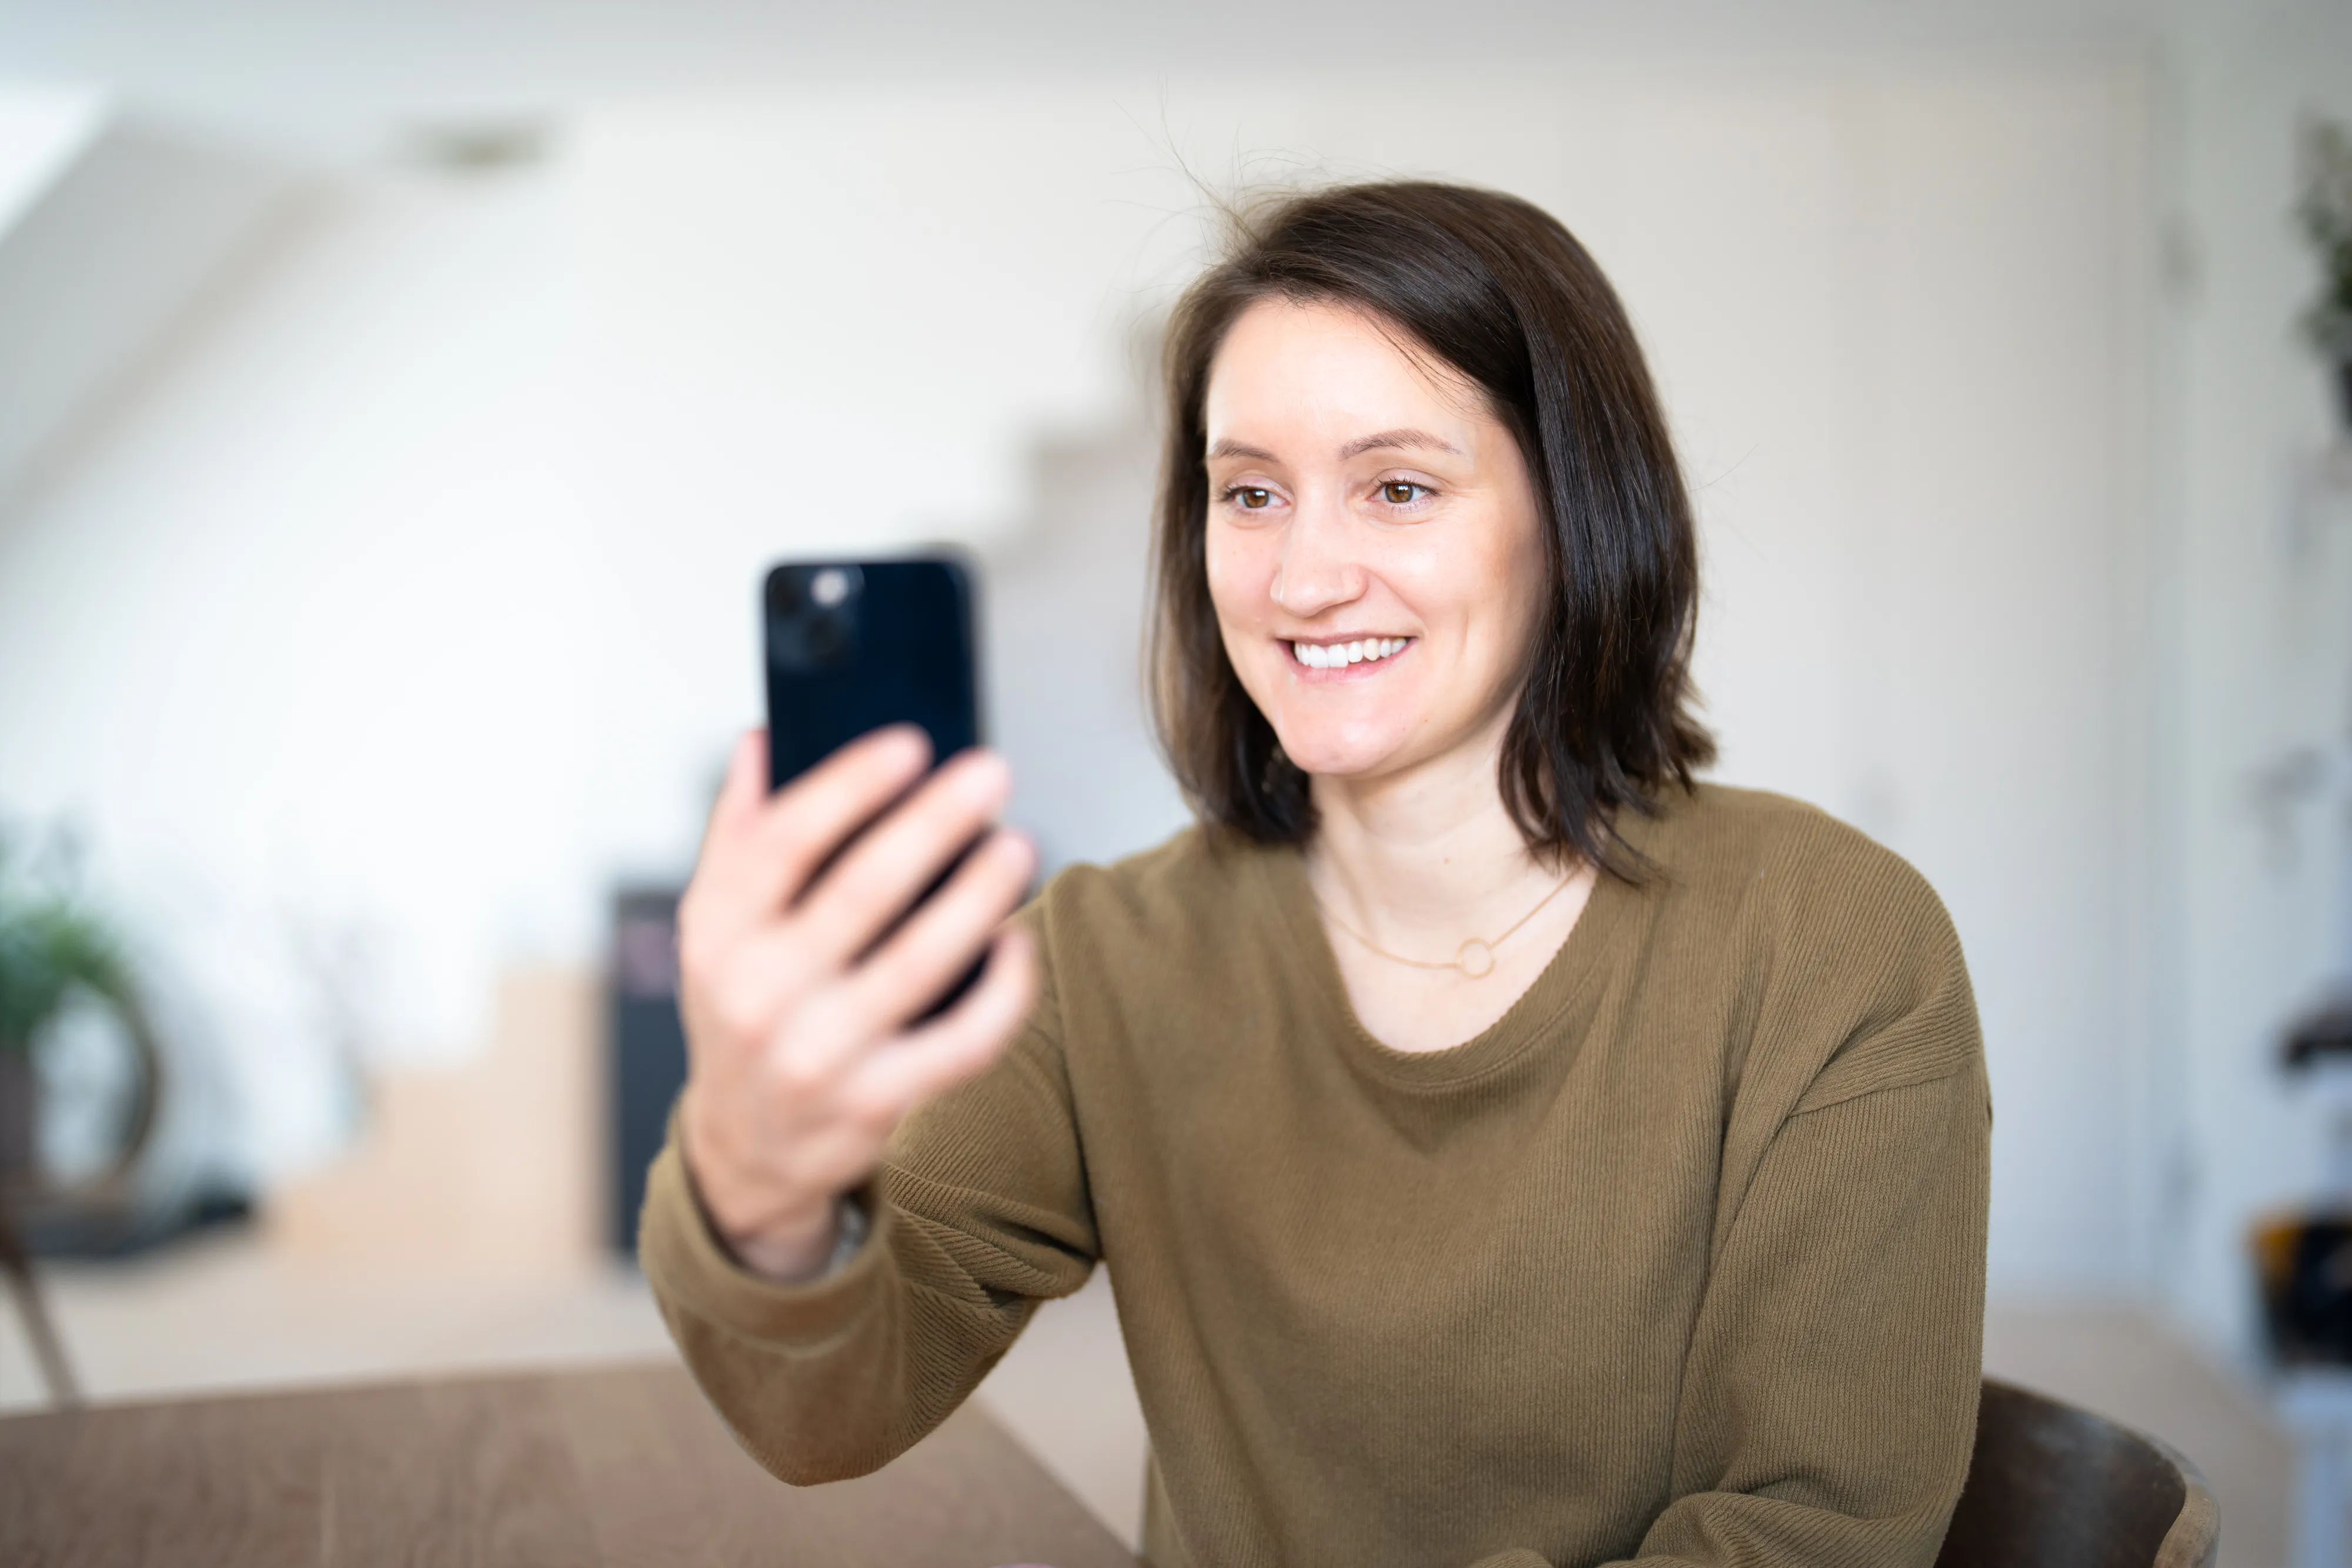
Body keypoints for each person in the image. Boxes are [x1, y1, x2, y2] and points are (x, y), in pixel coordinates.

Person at [640, 180, 1991, 1568]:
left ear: (1574, 511)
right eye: (1249, 494)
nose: (1298, 579)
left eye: (1396, 487)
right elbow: (824, 1412)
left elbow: (1817, 1533)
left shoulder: (1833, 945)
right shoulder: (1107, 957)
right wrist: (761, 1191)